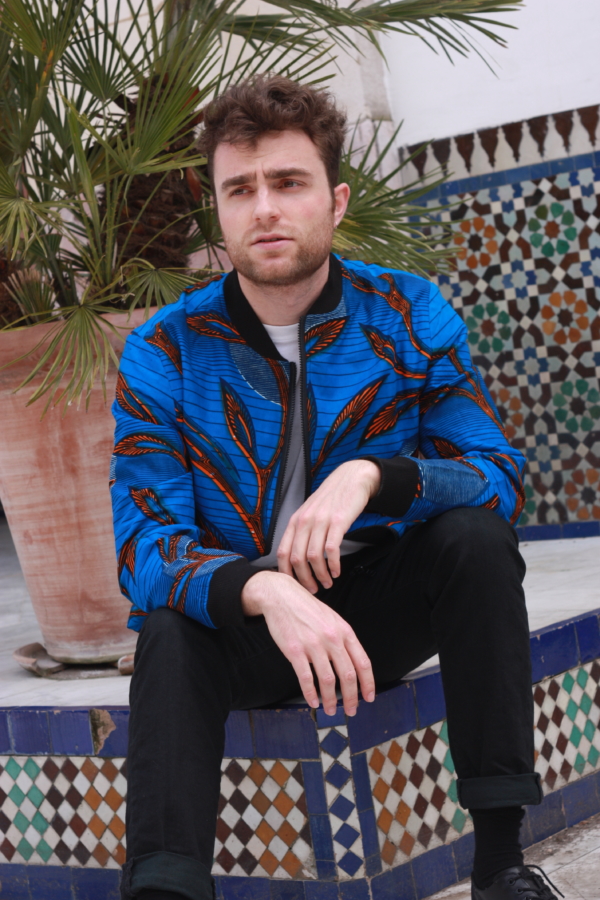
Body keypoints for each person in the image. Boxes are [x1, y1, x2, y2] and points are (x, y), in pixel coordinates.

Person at [111, 76, 558, 900]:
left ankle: (501, 867)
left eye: (288, 182)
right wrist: (266, 591)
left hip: (372, 613)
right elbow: (143, 548)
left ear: (336, 199)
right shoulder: (163, 351)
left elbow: (496, 478)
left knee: (475, 538)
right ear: (217, 212)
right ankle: (164, 891)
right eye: (240, 189)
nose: (264, 209)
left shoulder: (409, 313)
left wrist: (373, 477)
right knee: (167, 628)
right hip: (245, 632)